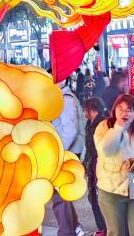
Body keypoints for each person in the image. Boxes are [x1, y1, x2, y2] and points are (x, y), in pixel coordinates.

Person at [95, 94, 134, 236]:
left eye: (129, 110)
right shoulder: (104, 126)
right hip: (111, 191)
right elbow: (105, 151)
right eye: (120, 109)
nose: (124, 113)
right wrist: (118, 128)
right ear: (114, 110)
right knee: (116, 232)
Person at [51, 79, 86, 236]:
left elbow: (70, 131)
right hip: (66, 151)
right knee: (63, 193)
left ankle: (66, 232)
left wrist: (59, 153)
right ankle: (74, 227)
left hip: (66, 153)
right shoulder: (63, 98)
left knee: (60, 195)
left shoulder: (66, 100)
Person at [83, 98, 108, 236]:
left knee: (99, 199)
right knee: (93, 197)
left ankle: (106, 228)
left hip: (101, 166)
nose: (84, 112)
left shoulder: (102, 124)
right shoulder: (90, 123)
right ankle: (102, 228)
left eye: (85, 109)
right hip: (92, 164)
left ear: (92, 109)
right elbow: (89, 148)